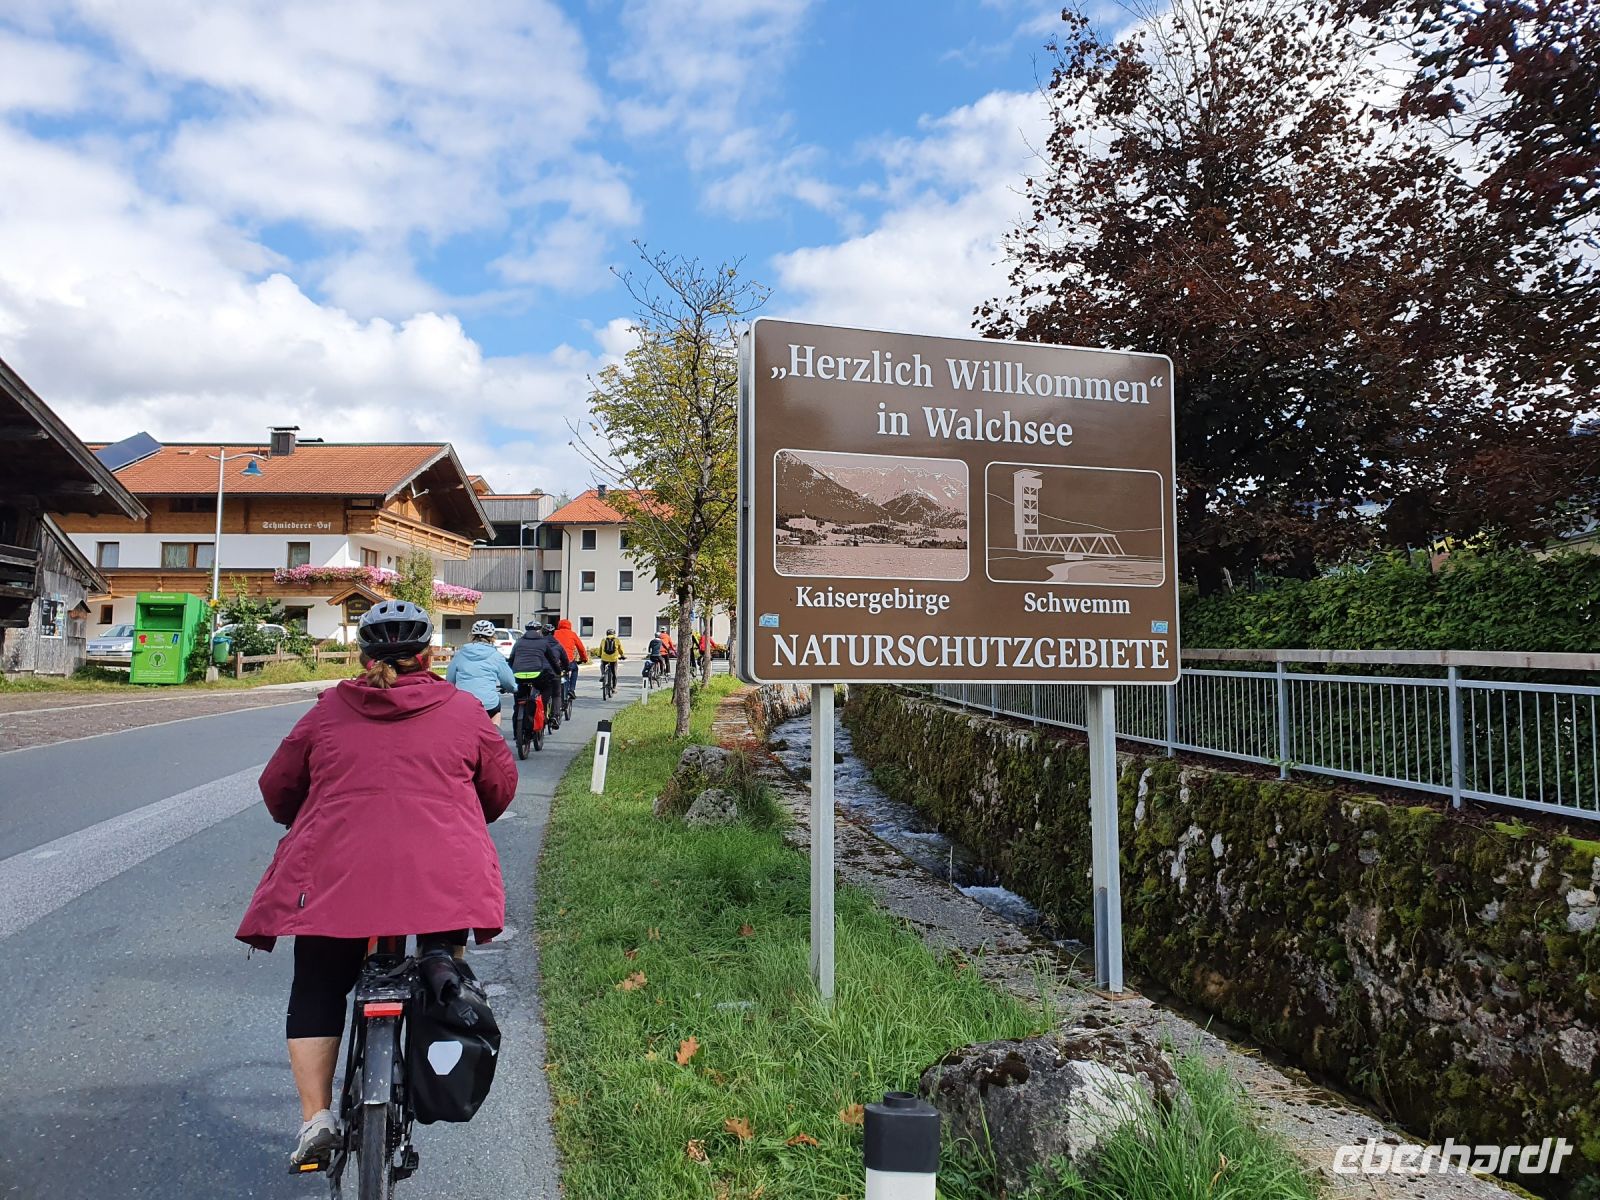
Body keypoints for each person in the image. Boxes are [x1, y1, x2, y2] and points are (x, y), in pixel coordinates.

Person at [235, 600, 516, 1169]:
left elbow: (278, 787)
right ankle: (441, 969)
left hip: (336, 878)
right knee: (443, 950)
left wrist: (305, 814)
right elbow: (500, 788)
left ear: (363, 657)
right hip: (441, 877)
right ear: (430, 655)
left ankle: (316, 1119)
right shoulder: (464, 711)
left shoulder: (328, 711)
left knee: (317, 986)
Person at [447, 619, 517, 720]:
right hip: (488, 704)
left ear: (471, 636)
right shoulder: (497, 656)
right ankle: (494, 734)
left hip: (463, 703)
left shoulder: (460, 654)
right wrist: (513, 688)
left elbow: (450, 680)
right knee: (496, 713)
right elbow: (508, 681)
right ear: (493, 637)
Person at [509, 619, 568, 732]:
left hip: (519, 675)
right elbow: (552, 660)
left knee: (519, 699)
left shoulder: (519, 642)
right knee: (547, 689)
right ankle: (543, 712)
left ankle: (518, 732)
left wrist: (512, 673)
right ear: (539, 631)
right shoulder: (543, 642)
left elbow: (511, 660)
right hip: (537, 675)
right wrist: (558, 672)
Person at [550, 617, 589, 700]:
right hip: (568, 661)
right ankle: (571, 689)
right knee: (575, 669)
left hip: (555, 660)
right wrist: (584, 658)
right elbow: (580, 648)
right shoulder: (572, 634)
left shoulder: (554, 633)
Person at [597, 627, 625, 693]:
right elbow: (620, 649)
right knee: (614, 673)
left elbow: (600, 648)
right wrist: (622, 655)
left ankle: (603, 674)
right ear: (614, 634)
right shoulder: (616, 640)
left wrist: (599, 655)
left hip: (604, 658)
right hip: (613, 658)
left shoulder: (603, 640)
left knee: (602, 664)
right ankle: (614, 688)